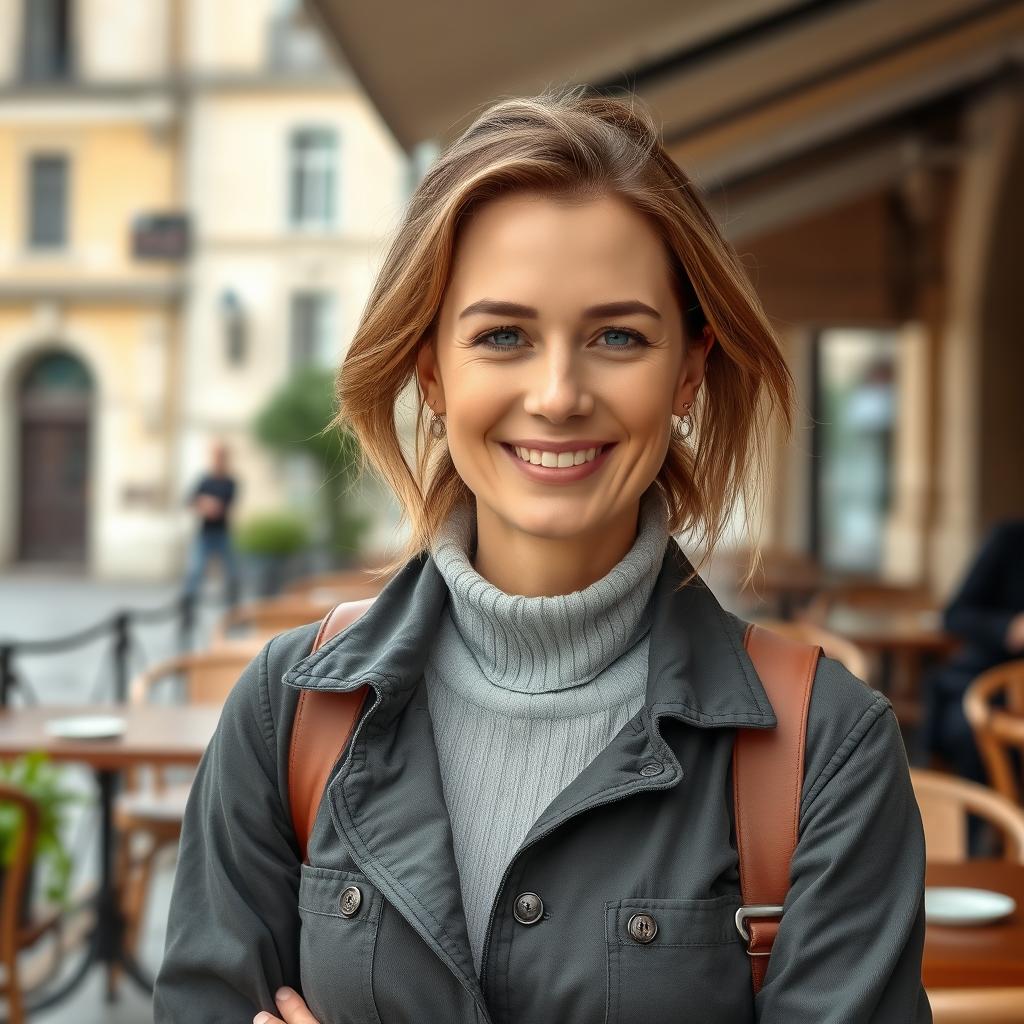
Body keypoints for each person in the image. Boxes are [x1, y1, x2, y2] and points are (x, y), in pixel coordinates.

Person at [153, 87, 930, 1024]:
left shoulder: (825, 753)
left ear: (688, 369)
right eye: (503, 336)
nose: (558, 394)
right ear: (433, 369)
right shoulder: (290, 714)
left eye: (617, 336)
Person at [921, 518, 1024, 783]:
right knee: (970, 733)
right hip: (988, 684)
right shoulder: (1010, 539)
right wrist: (1008, 628)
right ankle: (979, 822)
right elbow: (954, 615)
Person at [183, 440, 240, 607]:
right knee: (195, 572)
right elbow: (189, 501)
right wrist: (206, 504)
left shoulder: (230, 482)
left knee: (232, 573)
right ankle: (188, 609)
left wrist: (205, 502)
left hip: (222, 533)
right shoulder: (204, 480)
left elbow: (221, 508)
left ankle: (233, 609)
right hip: (205, 534)